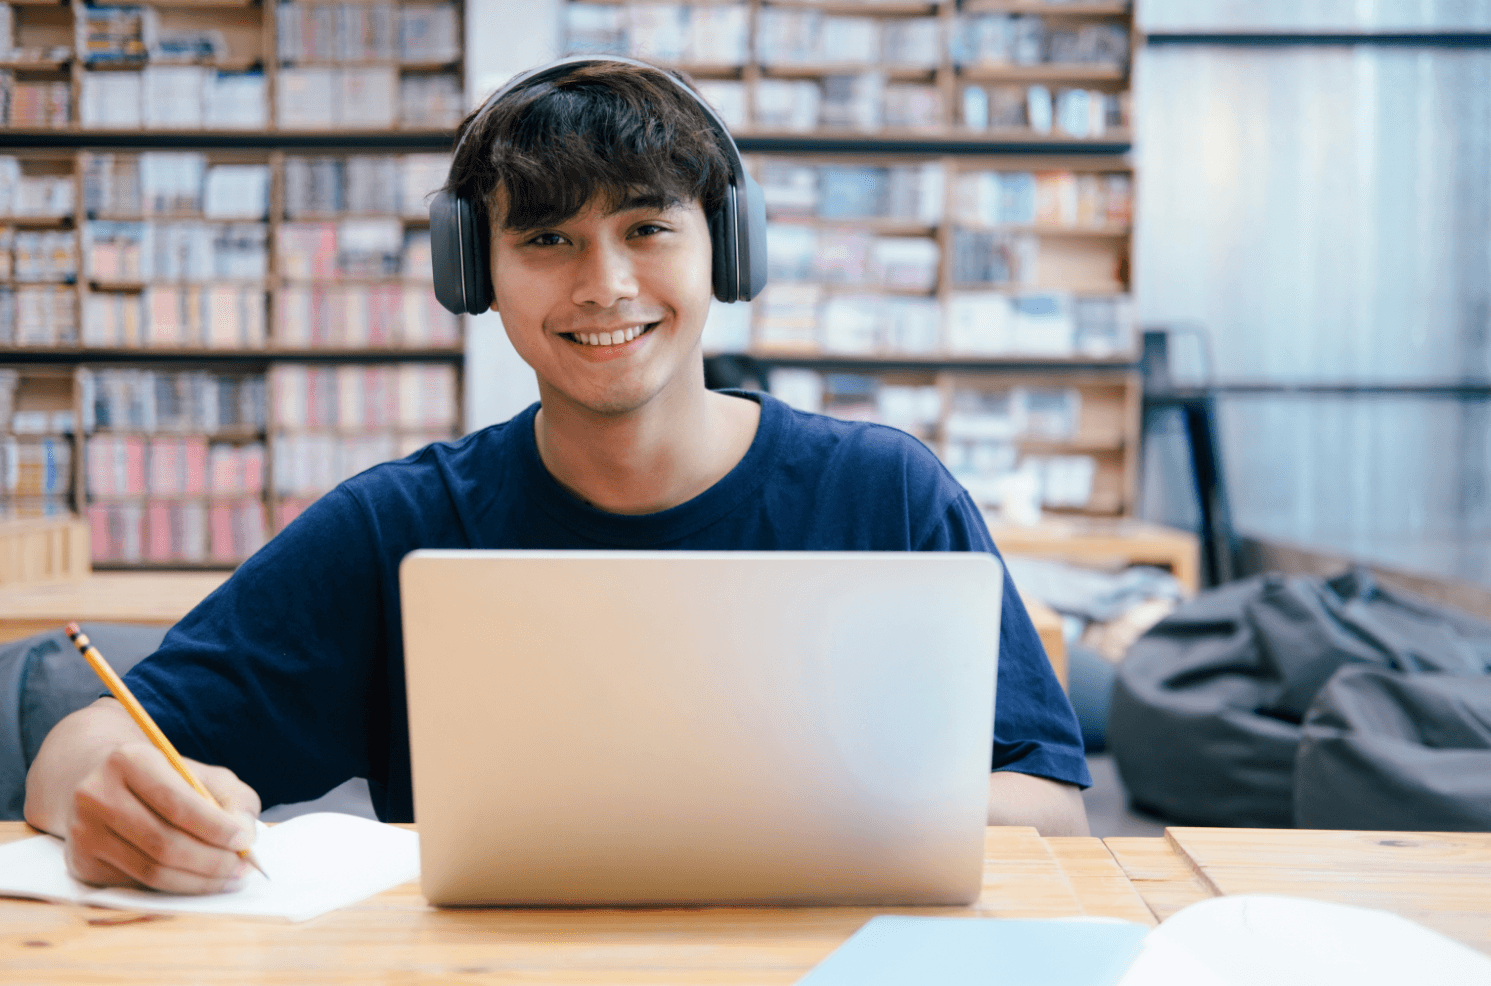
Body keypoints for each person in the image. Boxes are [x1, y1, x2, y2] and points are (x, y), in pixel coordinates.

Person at [26, 58, 1090, 895]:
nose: (605, 284)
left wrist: (766, 820)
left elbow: (1054, 812)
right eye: (547, 237)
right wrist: (107, 795)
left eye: (646, 226)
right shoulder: (403, 526)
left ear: (725, 248)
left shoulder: (884, 495)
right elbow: (82, 746)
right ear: (472, 271)